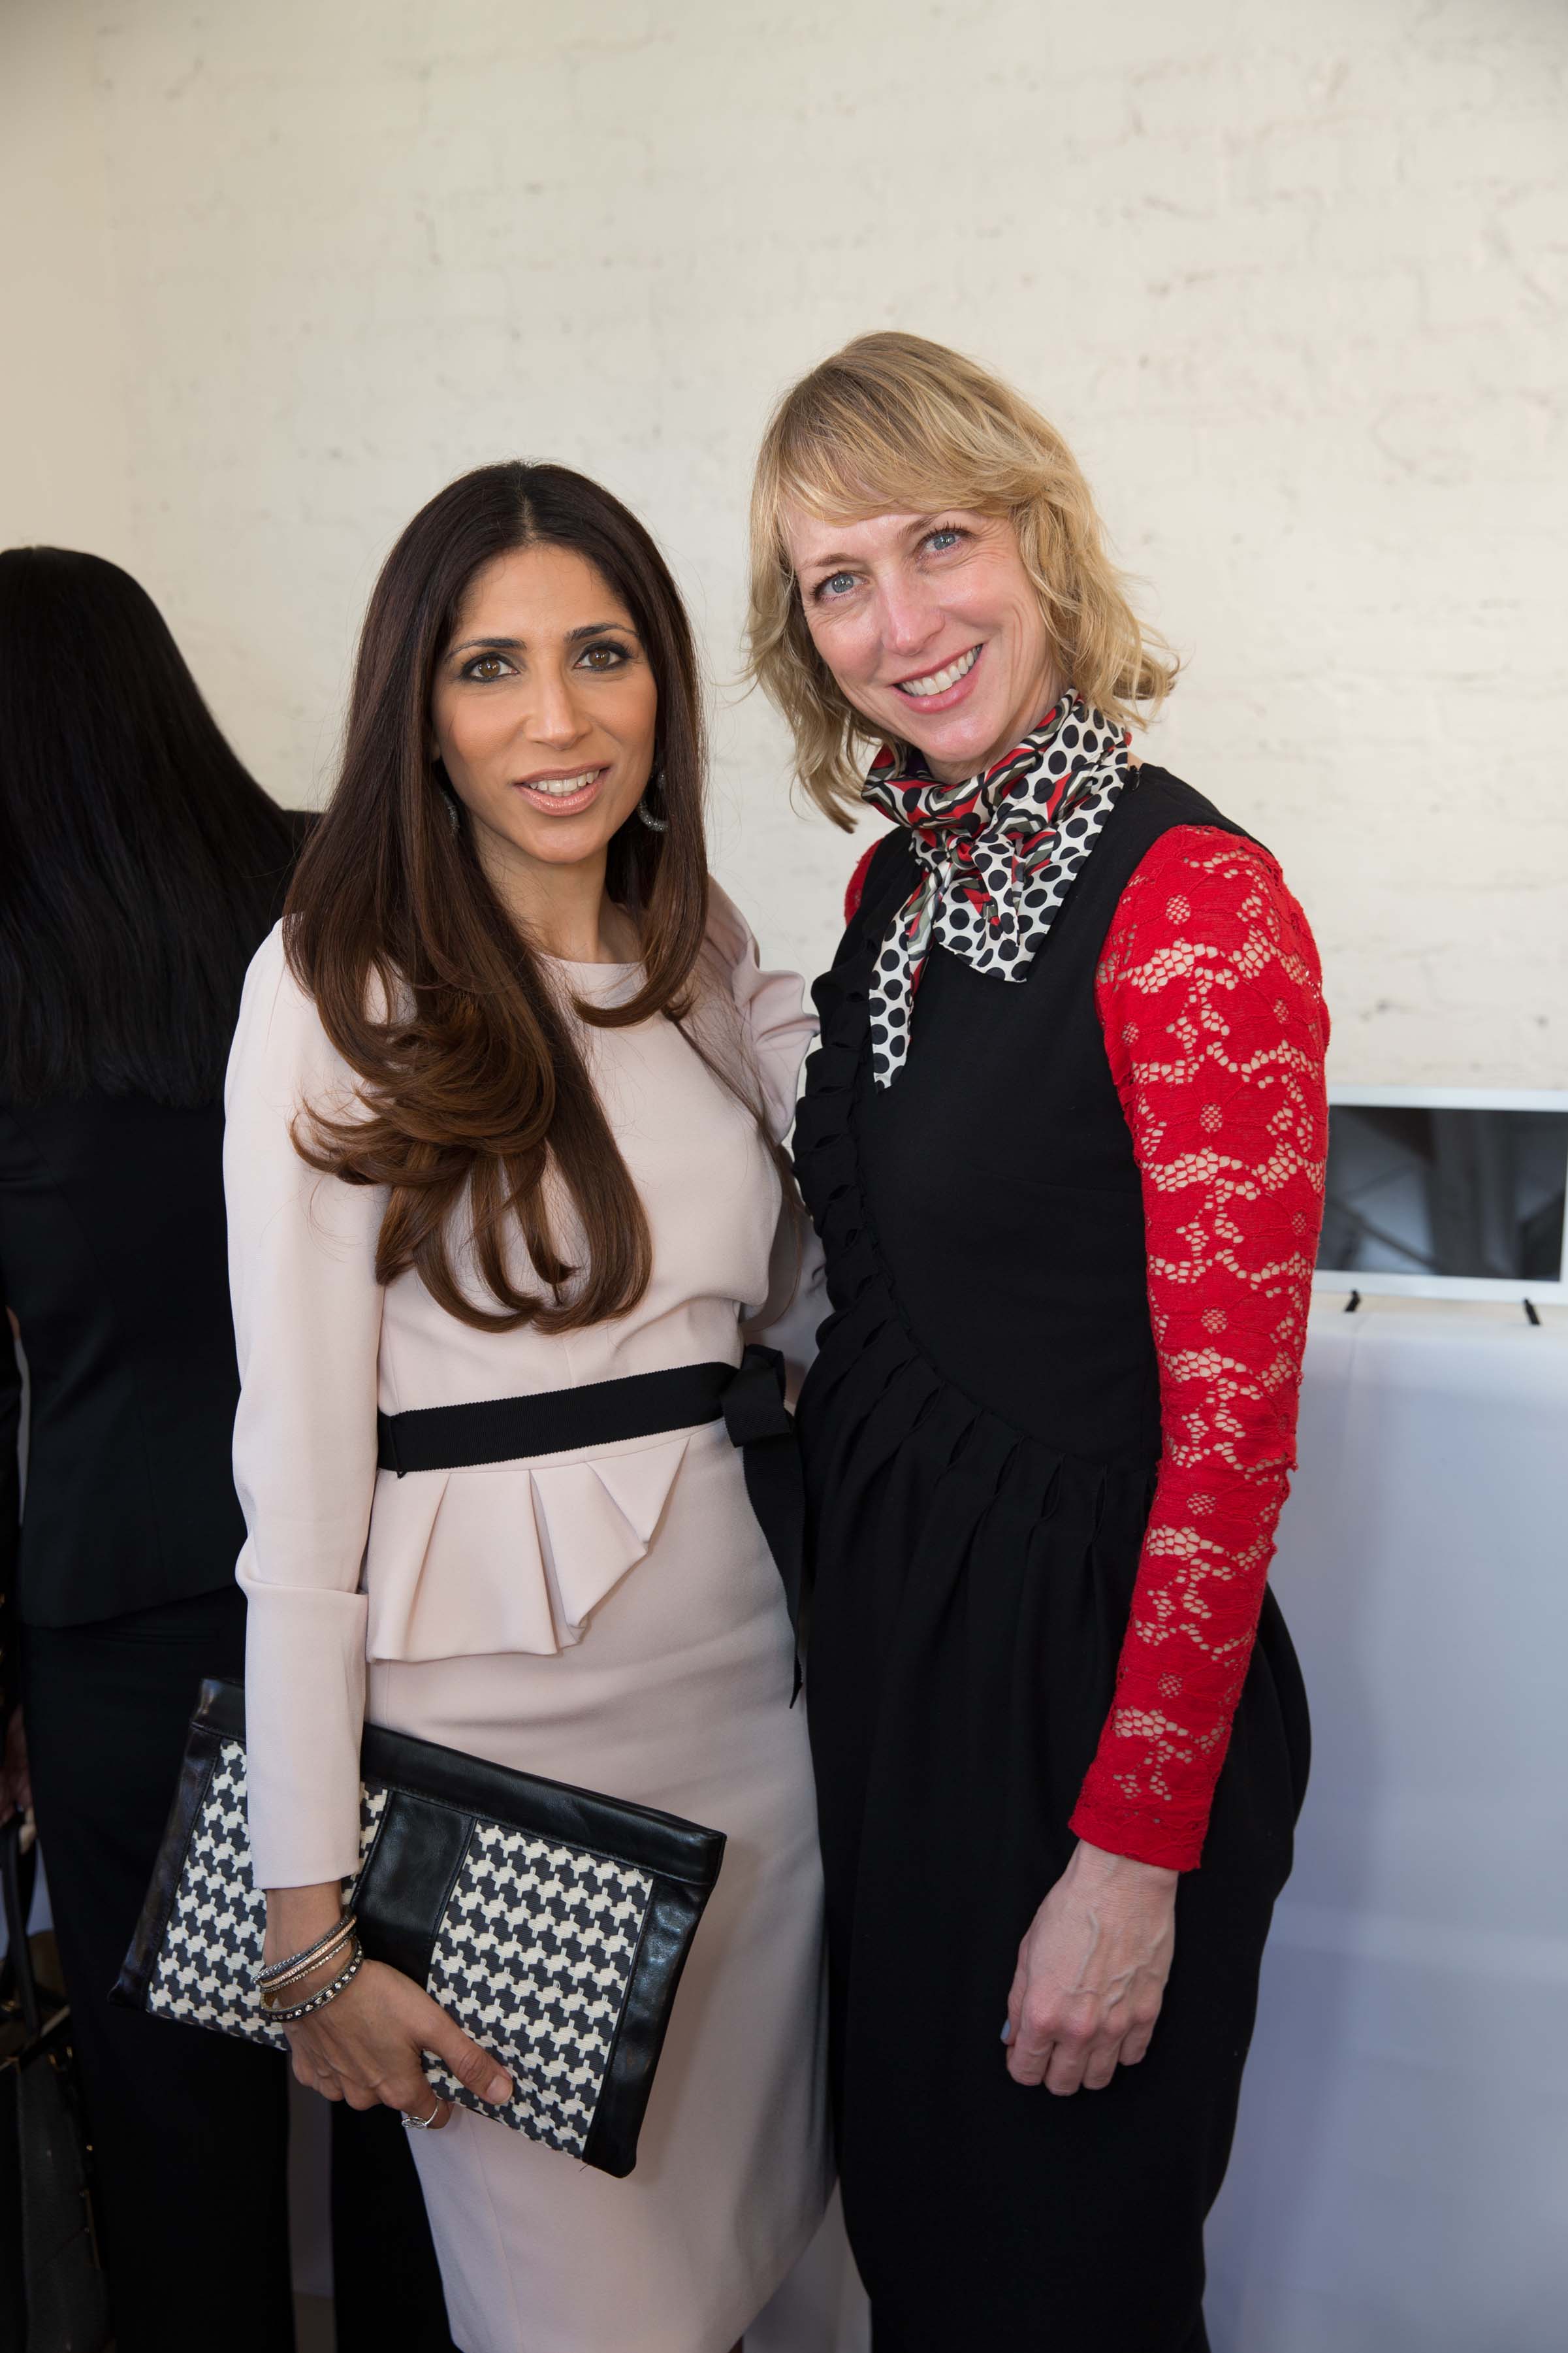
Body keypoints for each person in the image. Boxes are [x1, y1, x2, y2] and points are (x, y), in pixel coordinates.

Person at [744, 333, 1329, 2352]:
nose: (899, 622)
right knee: (929, 2279)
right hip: (898, 1701)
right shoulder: (887, 883)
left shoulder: (1193, 903)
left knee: (1064, 2294)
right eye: (836, 580)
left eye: (937, 543)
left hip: (1086, 1729)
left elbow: (1233, 1440)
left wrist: (1128, 1856)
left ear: (1038, 541)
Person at [223, 461, 831, 2353]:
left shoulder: (701, 942)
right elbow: (296, 1487)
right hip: (503, 1768)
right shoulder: (334, 986)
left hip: (761, 1718)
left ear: (665, 685)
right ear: (417, 711)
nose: (556, 718)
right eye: (489, 667)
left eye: (601, 654)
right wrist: (308, 1919)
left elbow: (810, 1289)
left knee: (797, 2278)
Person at [0, 547, 455, 2352]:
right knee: (417, 2105)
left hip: (117, 1615)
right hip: (378, 1599)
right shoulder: (335, 893)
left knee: (174, 2146)